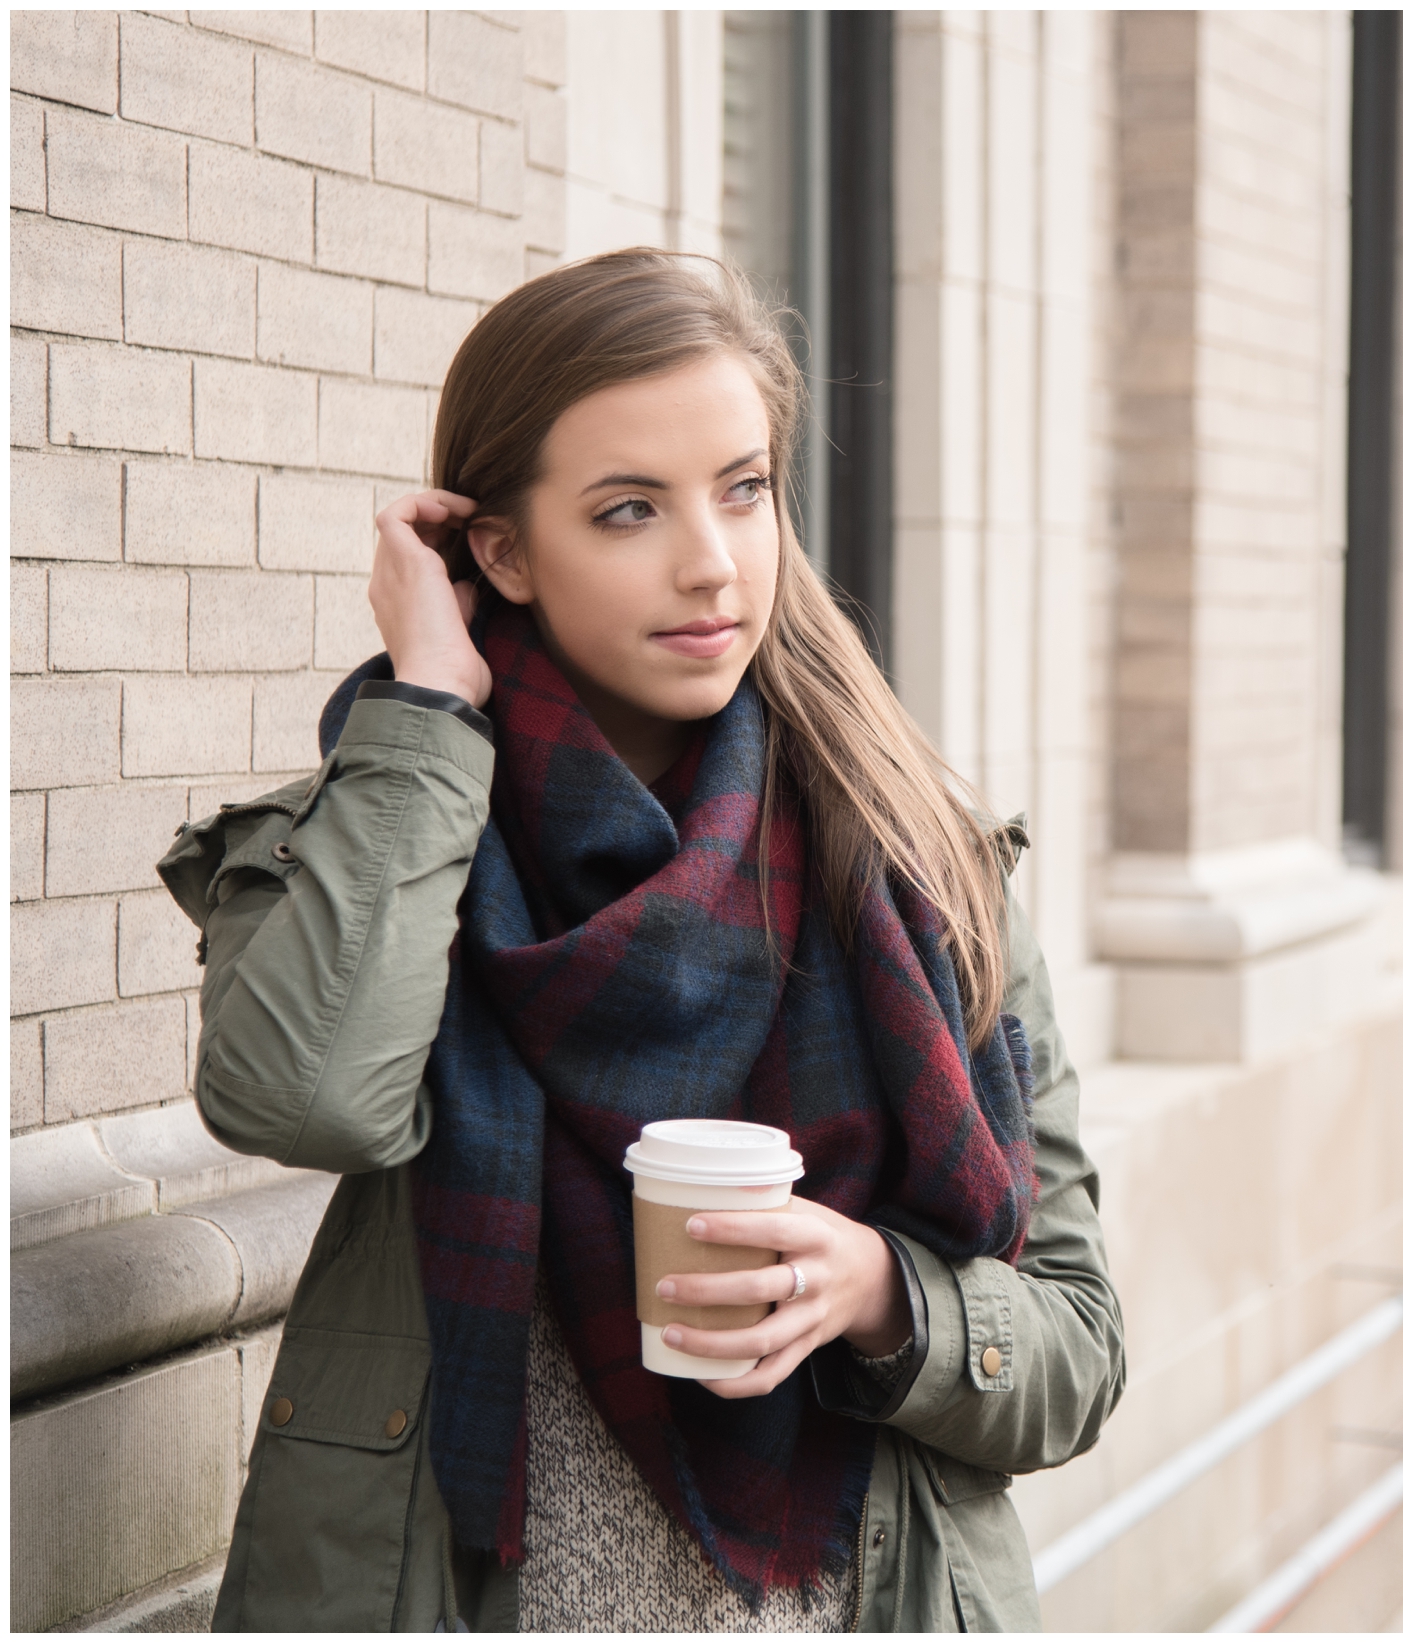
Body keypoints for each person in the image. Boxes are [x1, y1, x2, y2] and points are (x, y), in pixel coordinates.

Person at [158, 249, 1124, 1633]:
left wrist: (880, 1293)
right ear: (500, 550)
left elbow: (1080, 1348)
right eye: (627, 510)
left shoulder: (915, 864)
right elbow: (305, 1097)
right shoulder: (390, 835)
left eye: (743, 490)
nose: (710, 562)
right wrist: (431, 706)